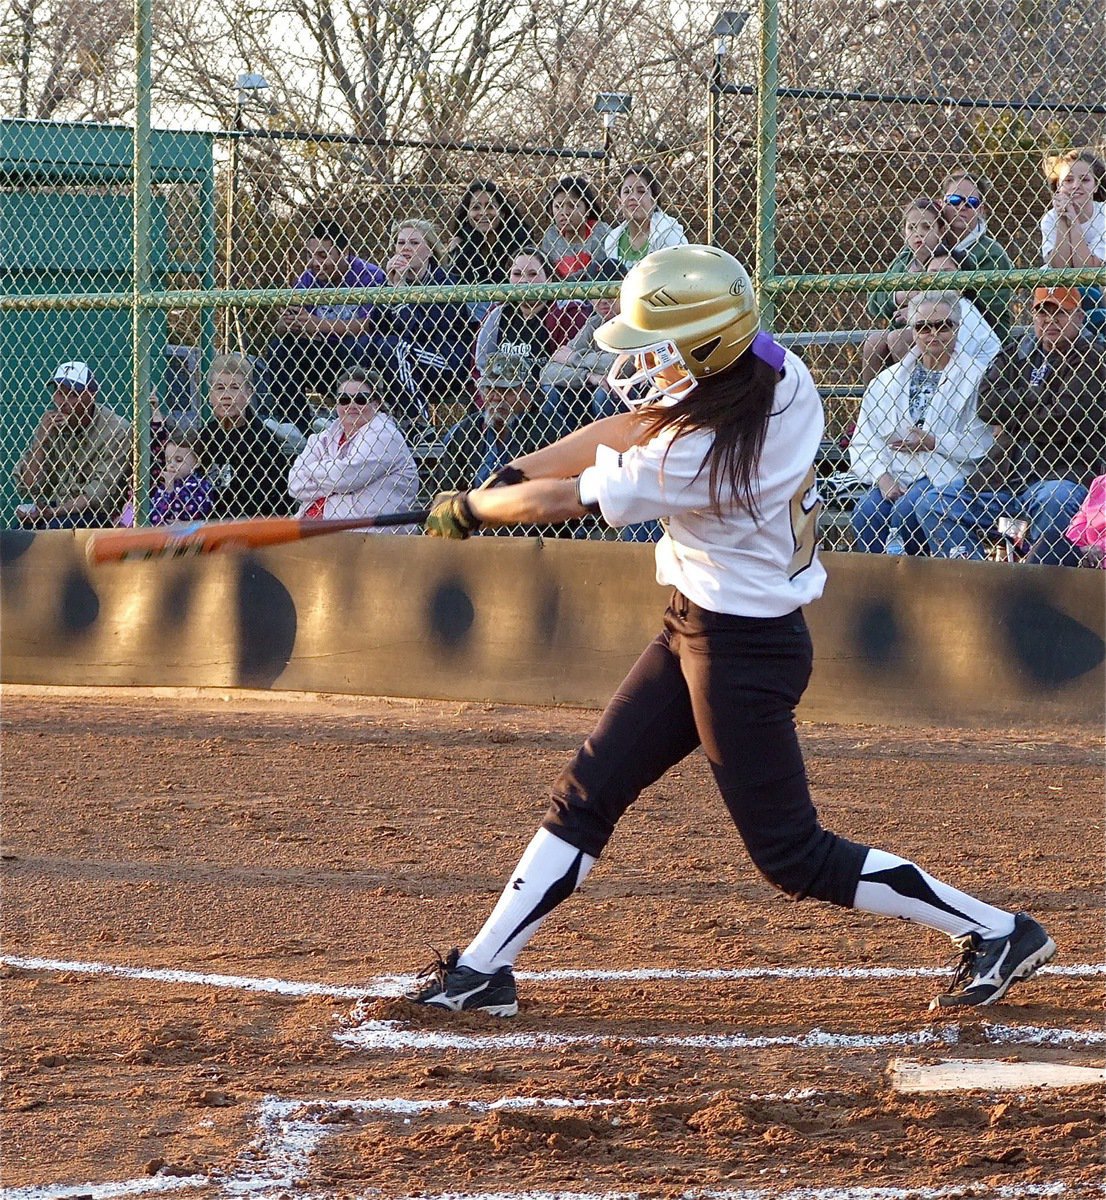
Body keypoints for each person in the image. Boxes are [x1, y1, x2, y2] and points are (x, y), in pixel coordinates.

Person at [401, 244, 1055, 1018]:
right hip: (696, 628)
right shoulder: (774, 370)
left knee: (792, 855)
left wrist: (476, 509)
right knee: (588, 790)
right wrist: (512, 470)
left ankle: (998, 930)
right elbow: (631, 422)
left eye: (665, 348)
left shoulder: (700, 458)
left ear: (708, 349)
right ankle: (484, 969)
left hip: (742, 652)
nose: (648, 361)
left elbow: (567, 499)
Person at [916, 287, 1106, 565]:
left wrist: (1012, 417)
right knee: (933, 503)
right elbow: (987, 404)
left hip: (1057, 476)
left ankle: (1038, 588)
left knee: (1056, 498)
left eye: (1060, 313)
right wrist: (1038, 398)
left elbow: (1064, 421)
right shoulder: (1017, 350)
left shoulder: (1093, 357)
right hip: (999, 480)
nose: (1049, 321)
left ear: (1078, 317)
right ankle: (973, 577)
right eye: (1042, 312)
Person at [849, 291, 994, 555]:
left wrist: (933, 442)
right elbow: (863, 441)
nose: (933, 333)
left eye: (943, 325)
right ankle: (880, 585)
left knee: (910, 509)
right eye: (923, 326)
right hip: (894, 472)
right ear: (912, 331)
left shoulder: (977, 377)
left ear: (957, 328)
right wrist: (882, 478)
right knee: (865, 512)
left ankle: (918, 585)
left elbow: (982, 441)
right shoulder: (885, 382)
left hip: (943, 472)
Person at [265, 220, 386, 434]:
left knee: (357, 343)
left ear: (344, 252)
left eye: (322, 255)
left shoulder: (369, 275)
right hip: (323, 358)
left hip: (360, 361)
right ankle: (298, 425)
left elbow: (369, 325)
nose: (314, 262)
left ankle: (357, 424)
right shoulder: (308, 279)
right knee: (280, 347)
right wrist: (288, 323)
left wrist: (317, 325)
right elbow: (283, 327)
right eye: (310, 255)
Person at [373, 218, 475, 436]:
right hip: (407, 363)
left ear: (429, 251)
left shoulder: (445, 283)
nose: (405, 249)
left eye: (414, 243)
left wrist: (399, 291)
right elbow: (376, 325)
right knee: (375, 347)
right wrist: (393, 288)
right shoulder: (390, 282)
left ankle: (418, 420)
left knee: (396, 347)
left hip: (446, 359)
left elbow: (421, 330)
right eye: (400, 243)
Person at [287, 366, 418, 526]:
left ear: (376, 404)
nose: (351, 405)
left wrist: (312, 470)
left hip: (371, 536)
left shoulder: (384, 435)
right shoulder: (324, 437)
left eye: (361, 399)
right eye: (344, 399)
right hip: (317, 528)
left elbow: (345, 478)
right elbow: (295, 484)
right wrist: (337, 483)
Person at [15, 361, 130, 529]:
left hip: (99, 515)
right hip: (58, 508)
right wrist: (40, 443)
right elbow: (28, 488)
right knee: (14, 537)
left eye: (73, 394)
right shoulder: (51, 426)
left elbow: (97, 496)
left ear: (91, 396)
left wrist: (51, 513)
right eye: (60, 393)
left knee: (53, 531)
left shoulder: (117, 430)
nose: (64, 402)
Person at [433, 352, 563, 499]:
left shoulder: (547, 431)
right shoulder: (466, 431)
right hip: (475, 515)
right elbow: (444, 487)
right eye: (490, 389)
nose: (496, 397)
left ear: (527, 392)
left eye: (505, 390)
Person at [473, 248, 590, 401]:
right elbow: (478, 369)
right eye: (516, 274)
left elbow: (566, 371)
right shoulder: (497, 314)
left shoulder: (568, 313)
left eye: (533, 274)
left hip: (545, 401)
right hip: (500, 401)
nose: (523, 281)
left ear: (549, 280)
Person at [194, 354, 295, 520]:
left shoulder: (264, 441)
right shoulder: (203, 437)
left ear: (248, 394)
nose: (226, 395)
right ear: (210, 396)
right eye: (219, 388)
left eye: (234, 387)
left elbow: (275, 500)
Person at [863, 199, 947, 385]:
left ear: (941, 231)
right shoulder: (904, 261)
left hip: (932, 328)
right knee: (873, 343)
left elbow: (952, 298)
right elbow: (873, 301)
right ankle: (872, 407)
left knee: (897, 338)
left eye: (927, 227)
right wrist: (899, 296)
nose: (919, 234)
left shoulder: (945, 259)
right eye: (912, 227)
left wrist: (916, 308)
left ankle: (919, 396)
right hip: (901, 327)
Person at [539, 257, 624, 434]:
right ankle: (567, 451)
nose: (602, 300)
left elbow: (622, 365)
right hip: (591, 388)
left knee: (604, 395)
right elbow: (547, 371)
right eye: (595, 292)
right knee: (552, 391)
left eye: (609, 291)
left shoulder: (634, 320)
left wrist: (574, 358)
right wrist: (588, 376)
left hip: (628, 393)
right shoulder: (595, 323)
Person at [937, 170, 1015, 345]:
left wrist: (919, 304)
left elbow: (988, 310)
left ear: (980, 209)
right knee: (877, 342)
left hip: (977, 338)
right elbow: (877, 302)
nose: (962, 206)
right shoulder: (924, 243)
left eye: (971, 202)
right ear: (941, 204)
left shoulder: (992, 253)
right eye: (954, 200)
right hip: (928, 329)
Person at [1041, 149, 1106, 332]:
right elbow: (1059, 267)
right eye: (1068, 180)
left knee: (1091, 291)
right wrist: (1063, 219)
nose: (1076, 185)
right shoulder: (1050, 219)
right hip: (1062, 292)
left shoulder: (1104, 214)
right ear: (1058, 187)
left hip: (1097, 292)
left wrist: (1074, 221)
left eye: (1085, 180)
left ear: (1095, 185)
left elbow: (1087, 269)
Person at [449, 179, 534, 317]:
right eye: (476, 207)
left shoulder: (519, 241)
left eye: (490, 206)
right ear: (467, 214)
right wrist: (460, 250)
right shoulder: (462, 244)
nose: (483, 212)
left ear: (502, 212)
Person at [601, 163, 687, 269]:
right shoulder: (612, 240)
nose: (633, 197)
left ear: (654, 200)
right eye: (627, 191)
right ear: (619, 202)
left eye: (641, 191)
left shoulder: (669, 235)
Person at [118, 436, 212, 527]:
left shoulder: (200, 486)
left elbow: (188, 511)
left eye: (179, 460)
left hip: (182, 533)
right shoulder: (163, 487)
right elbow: (153, 511)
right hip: (155, 529)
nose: (171, 465)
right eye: (168, 461)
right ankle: (125, 525)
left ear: (196, 462)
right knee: (128, 507)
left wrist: (171, 492)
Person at [538, 176, 612, 279]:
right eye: (558, 206)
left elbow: (600, 273)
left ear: (587, 209)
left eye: (572, 206)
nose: (564, 213)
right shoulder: (551, 236)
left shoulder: (600, 231)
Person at [1065, 475, 1106, 567]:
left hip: (1102, 556)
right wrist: (1082, 550)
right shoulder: (1101, 483)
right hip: (1091, 560)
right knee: (1050, 538)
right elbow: (1075, 533)